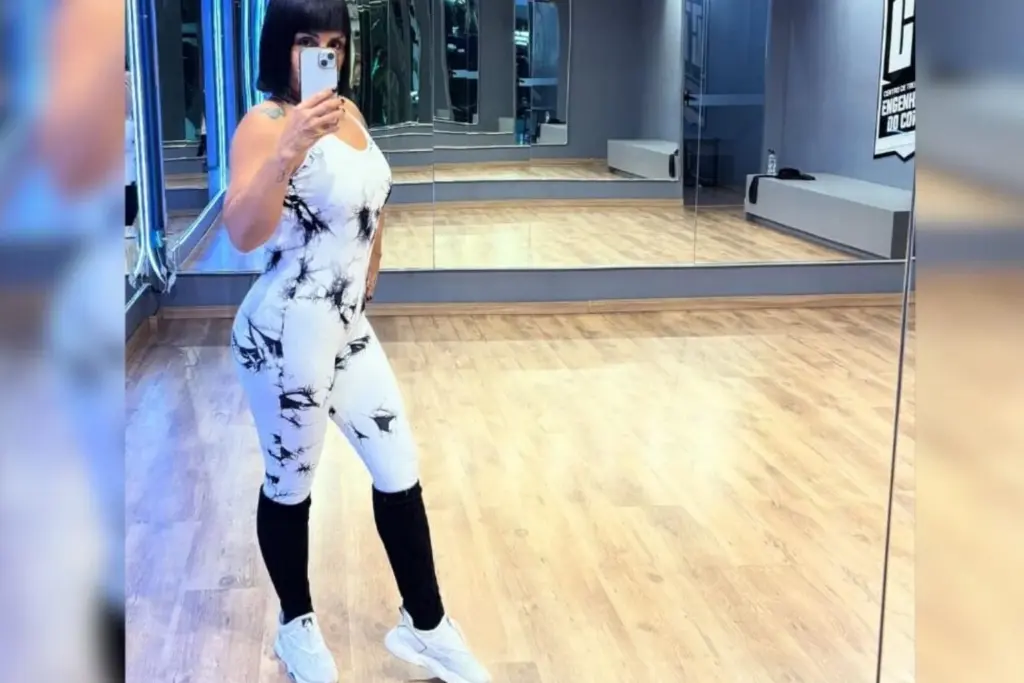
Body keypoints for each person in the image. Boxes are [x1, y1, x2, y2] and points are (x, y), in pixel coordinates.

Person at [222, 2, 490, 683]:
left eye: (335, 43)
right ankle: (295, 625)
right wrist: (287, 150)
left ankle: (425, 625)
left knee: (399, 467)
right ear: (280, 47)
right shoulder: (266, 123)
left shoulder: (350, 114)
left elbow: (372, 196)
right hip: (285, 332)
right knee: (291, 482)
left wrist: (374, 263)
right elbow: (242, 232)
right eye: (306, 41)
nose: (324, 56)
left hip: (345, 325)